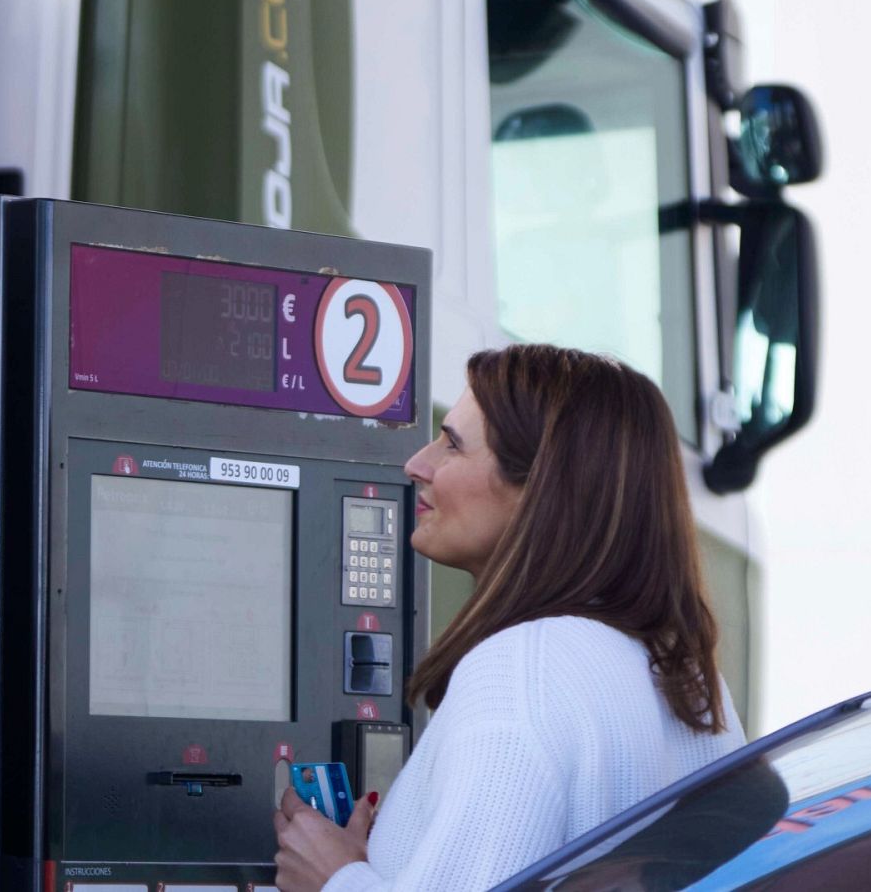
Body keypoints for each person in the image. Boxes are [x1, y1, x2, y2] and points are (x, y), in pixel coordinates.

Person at [273, 344, 746, 892]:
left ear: (542, 489)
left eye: (451, 445)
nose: (417, 464)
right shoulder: (688, 680)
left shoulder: (524, 667)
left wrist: (333, 878)